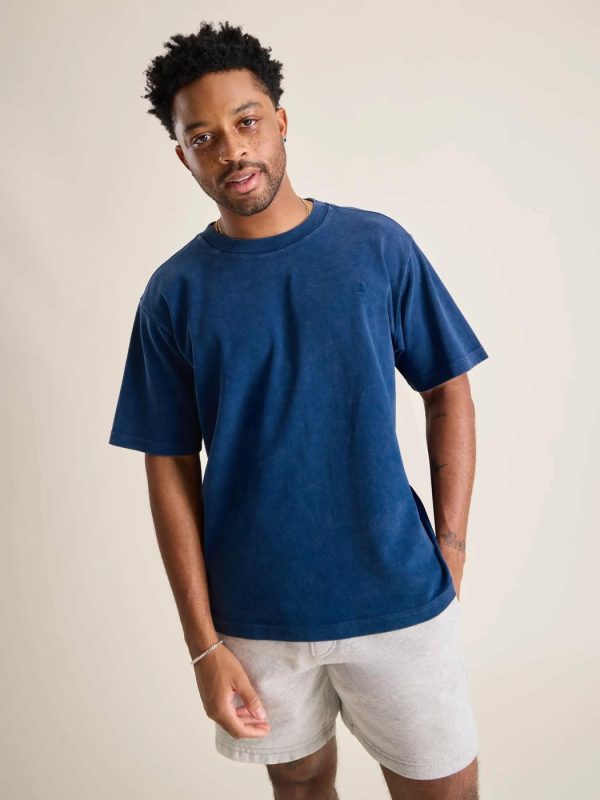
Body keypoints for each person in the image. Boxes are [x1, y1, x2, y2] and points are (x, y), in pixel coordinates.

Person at [108, 20, 489, 800]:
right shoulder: (174, 293)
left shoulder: (376, 247)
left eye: (246, 121)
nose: (232, 150)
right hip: (254, 618)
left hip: (398, 596)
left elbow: (447, 387)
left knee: (443, 791)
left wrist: (450, 543)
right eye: (203, 138)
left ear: (280, 121)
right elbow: (169, 467)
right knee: (302, 786)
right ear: (183, 155)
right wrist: (203, 647)